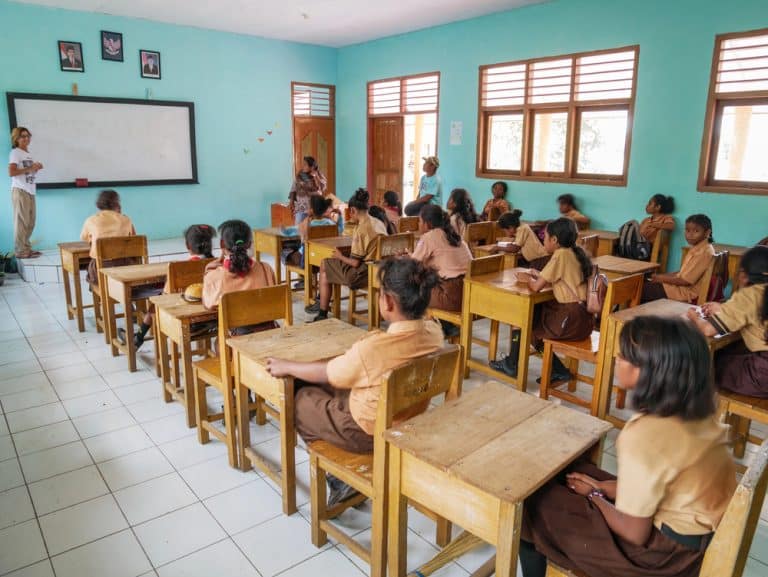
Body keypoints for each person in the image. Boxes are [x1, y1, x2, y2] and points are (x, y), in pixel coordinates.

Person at [519, 316, 736, 577]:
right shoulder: (698, 411)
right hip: (693, 539)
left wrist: (595, 497)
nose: (617, 360)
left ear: (648, 371)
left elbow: (635, 533)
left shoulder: (645, 433)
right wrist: (600, 486)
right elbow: (658, 484)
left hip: (662, 559)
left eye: (623, 357)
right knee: (575, 472)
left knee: (532, 503)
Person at [265, 257, 444, 506]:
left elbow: (330, 372)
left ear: (388, 301)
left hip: (367, 431)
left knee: (300, 398)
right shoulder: (435, 332)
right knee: (326, 386)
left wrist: (286, 365)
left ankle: (338, 476)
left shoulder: (374, 349)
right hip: (409, 418)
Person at [490, 218, 593, 381]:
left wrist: (527, 279)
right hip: (583, 319)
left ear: (554, 240)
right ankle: (556, 369)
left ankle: (514, 364)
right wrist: (538, 275)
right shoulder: (574, 252)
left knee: (525, 321)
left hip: (571, 320)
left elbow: (536, 287)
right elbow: (557, 278)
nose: (542, 240)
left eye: (545, 237)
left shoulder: (560, 255)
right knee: (530, 319)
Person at [687, 245, 768, 397]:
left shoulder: (750, 295)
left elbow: (708, 330)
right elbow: (753, 315)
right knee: (729, 353)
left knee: (701, 365)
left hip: (762, 376)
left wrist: (693, 316)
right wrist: (723, 308)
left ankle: (689, 414)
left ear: (744, 275)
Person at [127, 224, 217, 350]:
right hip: (213, 320)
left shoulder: (178, 268)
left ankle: (138, 338)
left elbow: (166, 295)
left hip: (187, 323)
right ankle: (138, 337)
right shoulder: (217, 264)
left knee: (154, 306)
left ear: (187, 245)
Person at [307, 188, 387, 321]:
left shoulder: (361, 229)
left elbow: (355, 263)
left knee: (325, 264)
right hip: (381, 269)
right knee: (332, 264)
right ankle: (323, 307)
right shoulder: (378, 222)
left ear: (353, 210)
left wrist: (340, 256)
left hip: (362, 274)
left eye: (351, 213)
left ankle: (322, 312)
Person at [202, 219, 276, 314]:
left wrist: (209, 271)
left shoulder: (214, 275)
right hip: (267, 325)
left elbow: (208, 306)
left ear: (222, 244)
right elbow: (273, 299)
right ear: (249, 244)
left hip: (233, 328)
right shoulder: (266, 269)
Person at [642, 214, 714, 303]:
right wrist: (660, 277)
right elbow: (682, 273)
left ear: (707, 232)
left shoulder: (704, 252)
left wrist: (660, 278)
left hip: (685, 293)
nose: (690, 235)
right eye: (687, 230)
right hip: (680, 288)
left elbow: (685, 281)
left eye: (696, 231)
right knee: (644, 283)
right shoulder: (699, 247)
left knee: (639, 289)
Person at [80, 189, 135, 284]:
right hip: (126, 269)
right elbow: (133, 239)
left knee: (91, 264)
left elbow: (84, 238)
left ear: (99, 203)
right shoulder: (126, 219)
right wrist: (120, 215)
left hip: (100, 272)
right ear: (117, 204)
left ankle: (101, 294)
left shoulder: (91, 220)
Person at [8, 127, 43, 259]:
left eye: (28, 136)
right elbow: (11, 172)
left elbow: (27, 172)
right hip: (20, 190)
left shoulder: (27, 153)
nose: (26, 138)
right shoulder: (15, 153)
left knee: (30, 221)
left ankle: (26, 248)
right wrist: (30, 167)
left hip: (30, 190)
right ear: (16, 139)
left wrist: (36, 168)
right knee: (21, 222)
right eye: (23, 136)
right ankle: (20, 251)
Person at [288, 156, 327, 225]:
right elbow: (293, 188)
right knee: (298, 230)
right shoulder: (300, 175)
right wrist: (291, 202)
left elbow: (322, 189)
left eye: (305, 164)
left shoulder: (319, 175)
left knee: (312, 231)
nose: (303, 166)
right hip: (300, 208)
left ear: (311, 167)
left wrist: (316, 177)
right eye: (303, 164)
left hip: (313, 209)